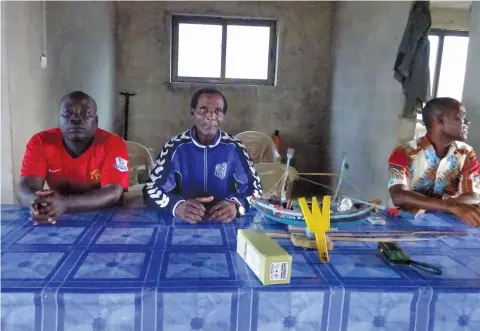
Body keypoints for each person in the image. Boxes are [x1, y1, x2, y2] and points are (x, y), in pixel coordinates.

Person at [143, 88, 262, 223]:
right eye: (203, 109)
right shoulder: (174, 147)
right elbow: (151, 189)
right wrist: (176, 206)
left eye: (218, 111)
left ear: (223, 116)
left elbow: (255, 189)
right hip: (183, 222)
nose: (211, 116)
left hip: (224, 223)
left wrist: (236, 205)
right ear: (192, 112)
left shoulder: (235, 147)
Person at [18, 91, 129, 224]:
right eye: (67, 114)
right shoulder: (41, 142)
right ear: (58, 119)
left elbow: (113, 192)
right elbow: (26, 189)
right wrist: (38, 205)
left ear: (96, 121)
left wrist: (65, 204)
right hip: (58, 217)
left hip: (106, 218)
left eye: (86, 114)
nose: (75, 119)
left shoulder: (112, 143)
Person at [388, 97, 480, 227]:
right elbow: (399, 196)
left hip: (447, 225)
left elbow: (473, 195)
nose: (467, 121)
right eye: (461, 116)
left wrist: (426, 204)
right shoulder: (404, 152)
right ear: (440, 120)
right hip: (405, 224)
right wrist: (452, 206)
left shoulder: (466, 153)